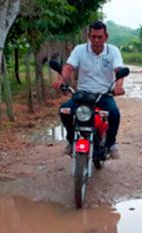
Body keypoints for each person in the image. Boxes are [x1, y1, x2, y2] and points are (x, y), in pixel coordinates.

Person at [53, 21, 125, 159]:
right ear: (88, 36)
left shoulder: (113, 51)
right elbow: (69, 67)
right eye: (93, 37)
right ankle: (71, 140)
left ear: (106, 37)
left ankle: (110, 144)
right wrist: (61, 80)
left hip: (104, 94)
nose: (96, 40)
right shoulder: (80, 49)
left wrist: (118, 86)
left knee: (114, 114)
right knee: (65, 110)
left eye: (100, 37)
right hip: (82, 94)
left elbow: (119, 70)